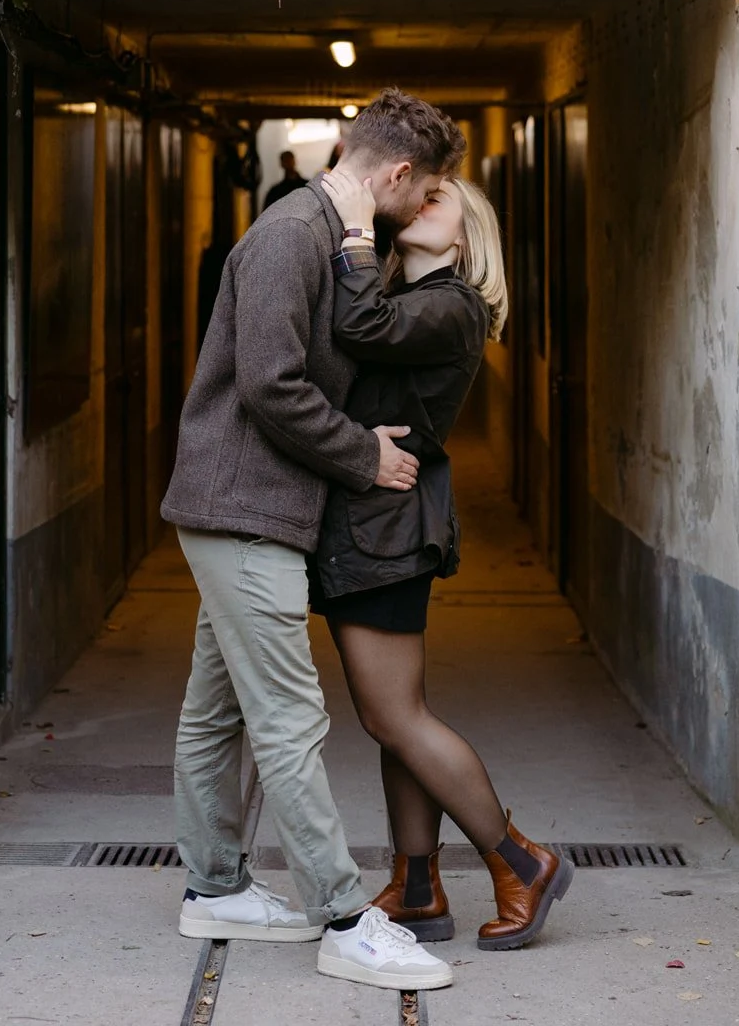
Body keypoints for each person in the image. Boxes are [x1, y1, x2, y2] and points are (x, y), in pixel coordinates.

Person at [161, 90, 467, 992]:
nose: (425, 207)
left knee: (215, 711)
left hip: (251, 507)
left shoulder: (326, 235)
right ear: (398, 174)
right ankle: (343, 918)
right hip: (244, 508)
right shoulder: (293, 235)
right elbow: (271, 384)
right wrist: (364, 456)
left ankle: (215, 889)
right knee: (290, 719)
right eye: (427, 191)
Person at [312, 167, 574, 952]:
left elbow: (359, 328)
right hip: (373, 524)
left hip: (384, 529)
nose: (422, 203)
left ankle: (520, 861)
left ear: (466, 236)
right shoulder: (411, 296)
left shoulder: (452, 305)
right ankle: (417, 888)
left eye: (440, 199)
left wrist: (354, 231)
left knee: (395, 716)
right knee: (396, 719)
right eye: (419, 195)